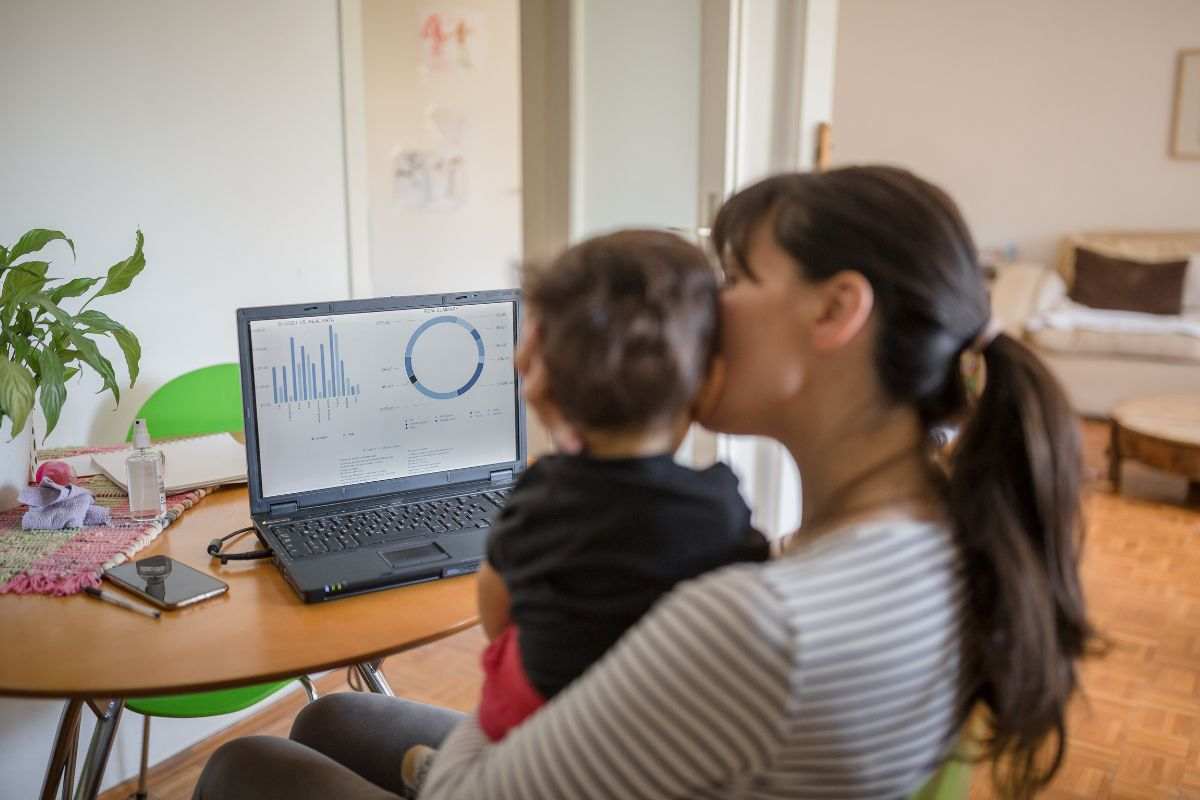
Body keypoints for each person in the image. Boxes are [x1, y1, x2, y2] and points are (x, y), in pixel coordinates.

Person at [194, 166, 1096, 800]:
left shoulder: (761, 623)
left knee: (246, 770)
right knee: (333, 721)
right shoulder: (939, 531)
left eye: (735, 277)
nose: (704, 306)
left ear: (835, 310)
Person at [400, 230, 769, 788]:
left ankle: (435, 774)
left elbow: (495, 612)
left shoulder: (540, 496)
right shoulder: (720, 506)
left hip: (524, 734)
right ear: (708, 382)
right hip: (646, 750)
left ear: (544, 381)